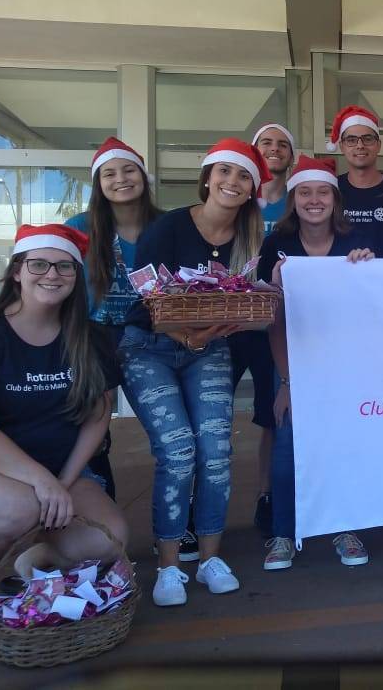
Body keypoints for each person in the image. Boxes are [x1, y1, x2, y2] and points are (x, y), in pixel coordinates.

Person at [120, 138, 269, 607]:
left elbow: (250, 299)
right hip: (150, 347)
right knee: (179, 451)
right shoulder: (169, 226)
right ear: (207, 178)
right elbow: (145, 293)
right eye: (224, 171)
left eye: (243, 175)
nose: (232, 182)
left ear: (252, 188)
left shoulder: (251, 237)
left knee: (217, 453)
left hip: (209, 348)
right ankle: (168, 567)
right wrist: (187, 336)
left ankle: (209, 560)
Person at [0, 225, 129, 646]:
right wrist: (41, 483)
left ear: (76, 277)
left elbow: (97, 418)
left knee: (107, 539)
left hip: (63, 470)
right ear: (17, 272)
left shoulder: (91, 337)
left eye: (64, 266)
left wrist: (62, 482)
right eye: (38, 264)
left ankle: (30, 559)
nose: (52, 274)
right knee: (15, 507)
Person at [259, 155, 374, 572]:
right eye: (304, 192)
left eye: (323, 192)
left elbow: (370, 309)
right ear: (293, 200)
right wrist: (286, 382)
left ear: (335, 200)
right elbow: (274, 320)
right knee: (288, 443)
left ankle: (345, 527)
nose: (314, 200)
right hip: (293, 359)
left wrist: (367, 270)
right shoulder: (276, 244)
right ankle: (283, 533)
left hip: (343, 363)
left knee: (344, 444)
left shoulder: (354, 241)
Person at [65, 137, 161, 498]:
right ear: (98, 183)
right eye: (109, 174)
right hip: (93, 337)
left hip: (152, 338)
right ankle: (99, 507)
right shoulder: (79, 226)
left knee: (167, 430)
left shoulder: (166, 225)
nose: (121, 179)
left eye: (129, 170)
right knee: (93, 429)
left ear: (143, 176)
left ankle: (178, 514)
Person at [231, 122, 297, 539]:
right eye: (266, 143)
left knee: (273, 416)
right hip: (232, 321)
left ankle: (266, 495)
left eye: (282, 144)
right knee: (213, 419)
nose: (274, 149)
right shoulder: (238, 197)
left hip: (273, 323)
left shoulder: (298, 201)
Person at [327, 106, 383, 258]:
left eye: (367, 139)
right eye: (351, 140)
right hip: (339, 272)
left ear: (379, 145)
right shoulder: (331, 189)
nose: (360, 145)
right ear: (341, 146)